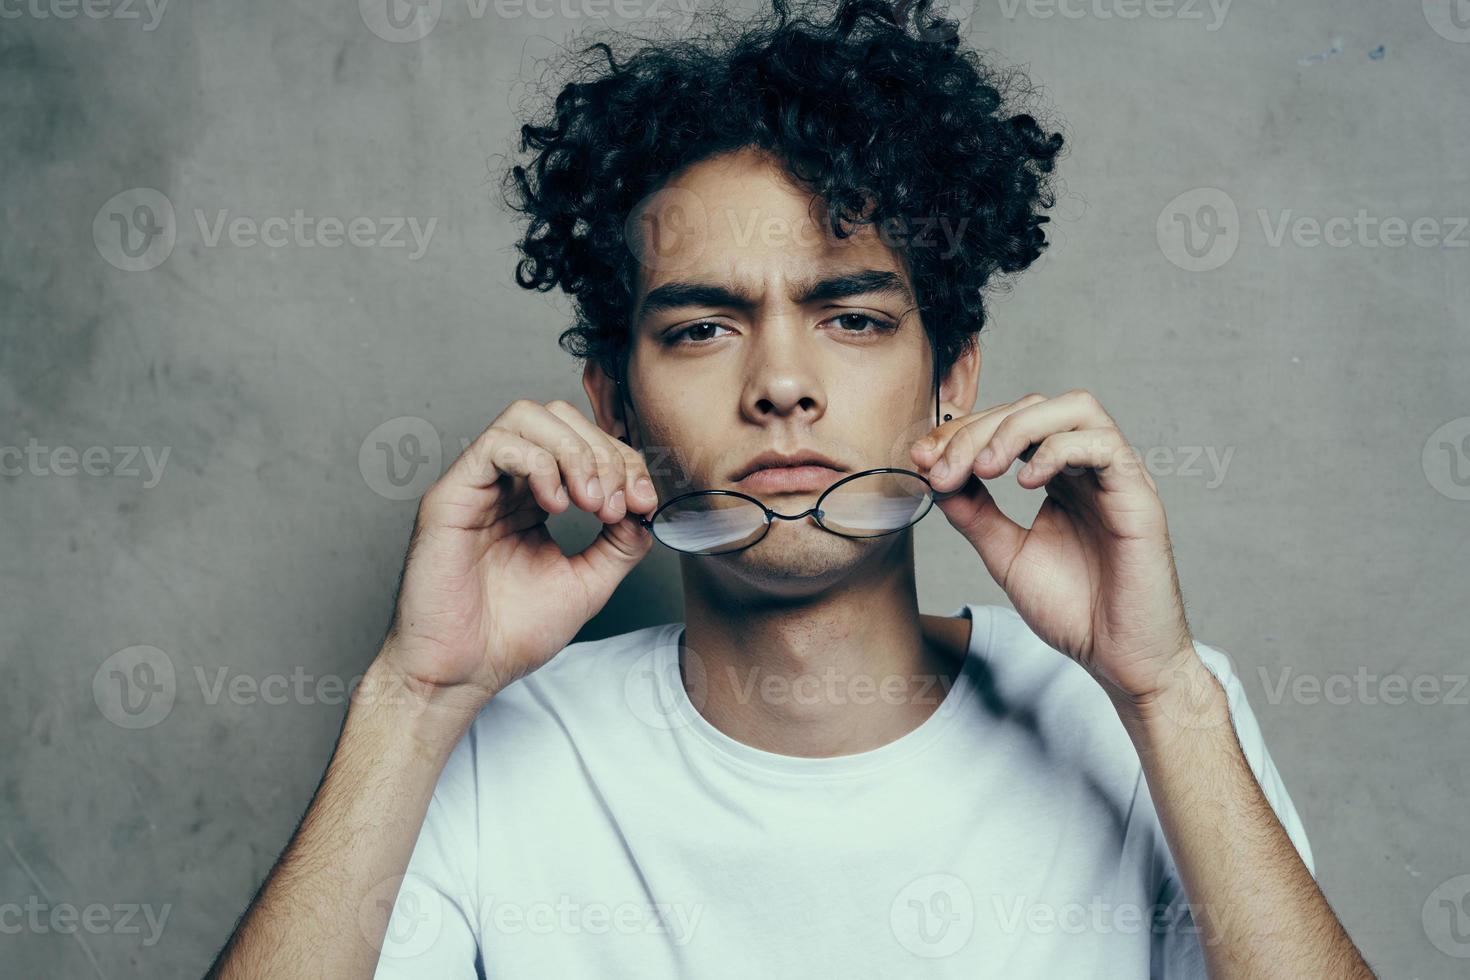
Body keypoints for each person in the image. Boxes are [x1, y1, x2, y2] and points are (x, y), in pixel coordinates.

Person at [206, 0, 1374, 976]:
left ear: (951, 380)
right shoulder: (494, 743)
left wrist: (1163, 694)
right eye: (704, 326)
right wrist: (413, 702)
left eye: (853, 318)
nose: (780, 385)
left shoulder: (1146, 713)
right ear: (612, 402)